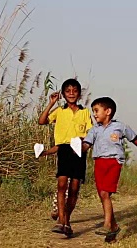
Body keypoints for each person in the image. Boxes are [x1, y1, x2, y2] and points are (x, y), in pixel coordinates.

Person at [81, 97, 137, 242]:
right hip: (99, 162)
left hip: (114, 161)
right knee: (103, 196)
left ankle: (107, 224)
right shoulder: (94, 129)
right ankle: (113, 228)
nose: (94, 114)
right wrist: (76, 148)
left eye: (96, 111)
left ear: (107, 111)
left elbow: (134, 139)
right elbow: (86, 145)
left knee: (105, 193)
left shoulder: (120, 127)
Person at [38, 78, 92, 237]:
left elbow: (90, 133)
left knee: (74, 188)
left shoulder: (85, 112)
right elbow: (42, 121)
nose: (71, 94)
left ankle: (66, 220)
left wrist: (85, 146)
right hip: (63, 149)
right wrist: (51, 103)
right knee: (62, 185)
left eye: (74, 91)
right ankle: (62, 222)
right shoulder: (60, 111)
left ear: (79, 94)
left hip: (79, 150)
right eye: (68, 91)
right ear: (63, 94)